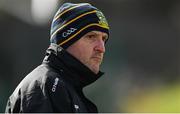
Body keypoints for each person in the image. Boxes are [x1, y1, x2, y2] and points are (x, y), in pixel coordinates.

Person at [5, 2, 109, 113]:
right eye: (91, 36)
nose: (102, 48)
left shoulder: (64, 88)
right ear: (66, 39)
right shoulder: (46, 86)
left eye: (103, 39)